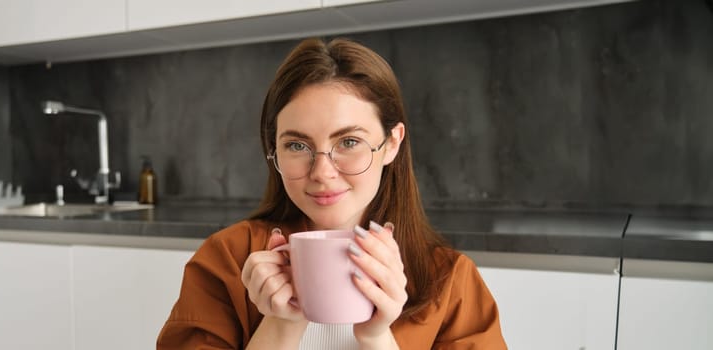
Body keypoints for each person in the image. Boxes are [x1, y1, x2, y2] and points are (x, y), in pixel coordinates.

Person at [157, 37, 507, 349]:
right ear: (273, 150)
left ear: (391, 144)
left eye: (349, 142)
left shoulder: (450, 280)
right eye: (296, 145)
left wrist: (377, 339)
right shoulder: (226, 261)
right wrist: (279, 326)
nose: (322, 173)